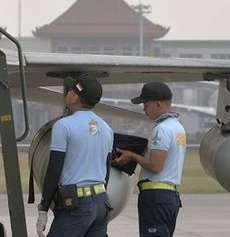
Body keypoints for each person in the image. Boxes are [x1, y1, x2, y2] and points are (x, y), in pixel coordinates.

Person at [36, 74, 114, 237]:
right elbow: (106, 172)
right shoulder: (106, 129)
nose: (66, 93)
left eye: (70, 90)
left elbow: (54, 169)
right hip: (101, 202)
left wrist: (44, 207)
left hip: (77, 205)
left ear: (75, 98)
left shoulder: (63, 126)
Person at [113, 82, 186, 237]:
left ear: (157, 104)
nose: (144, 109)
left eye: (146, 105)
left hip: (156, 197)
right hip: (170, 196)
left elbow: (155, 166)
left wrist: (132, 156)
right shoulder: (178, 127)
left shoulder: (162, 129)